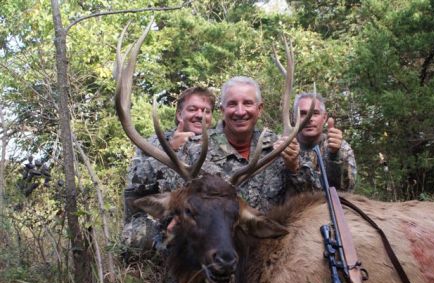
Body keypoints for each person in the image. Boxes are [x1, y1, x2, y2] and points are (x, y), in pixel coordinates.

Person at [182, 76, 319, 212]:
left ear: (259, 109)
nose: (240, 112)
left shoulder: (281, 147)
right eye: (232, 104)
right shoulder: (193, 150)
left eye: (247, 103)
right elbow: (173, 207)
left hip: (271, 232)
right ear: (222, 110)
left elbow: (314, 201)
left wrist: (294, 167)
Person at [122, 86, 216, 253]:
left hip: (198, 216)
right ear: (179, 114)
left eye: (206, 111)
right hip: (158, 217)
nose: (200, 115)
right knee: (137, 238)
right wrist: (171, 148)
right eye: (192, 109)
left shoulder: (216, 146)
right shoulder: (154, 143)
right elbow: (135, 184)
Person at [290, 92, 357, 192]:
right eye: (303, 114)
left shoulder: (341, 147)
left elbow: (346, 190)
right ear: (294, 118)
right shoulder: (283, 148)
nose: (309, 119)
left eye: (315, 113)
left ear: (324, 117)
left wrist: (335, 155)